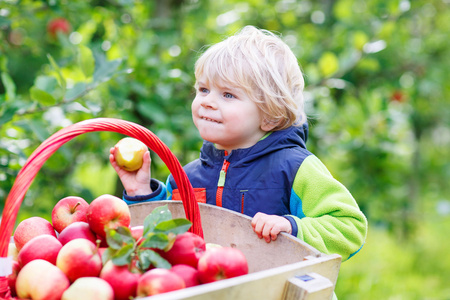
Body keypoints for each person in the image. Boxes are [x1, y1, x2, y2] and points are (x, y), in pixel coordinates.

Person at [109, 25, 367, 262]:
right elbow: (162, 237)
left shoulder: (295, 169)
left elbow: (349, 228)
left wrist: (293, 227)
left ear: (269, 115)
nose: (207, 101)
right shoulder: (185, 177)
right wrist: (141, 193)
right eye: (203, 90)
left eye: (228, 94)